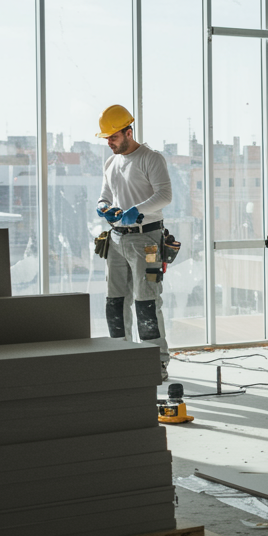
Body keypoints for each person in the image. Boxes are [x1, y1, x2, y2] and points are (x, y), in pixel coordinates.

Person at [94, 104, 173, 380]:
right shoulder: (111, 162)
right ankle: (121, 356)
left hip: (147, 240)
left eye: (113, 136)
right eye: (106, 137)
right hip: (116, 239)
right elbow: (105, 193)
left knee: (147, 302)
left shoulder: (151, 159)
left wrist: (137, 211)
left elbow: (165, 196)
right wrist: (103, 206)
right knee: (115, 302)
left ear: (129, 132)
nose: (109, 142)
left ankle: (157, 361)